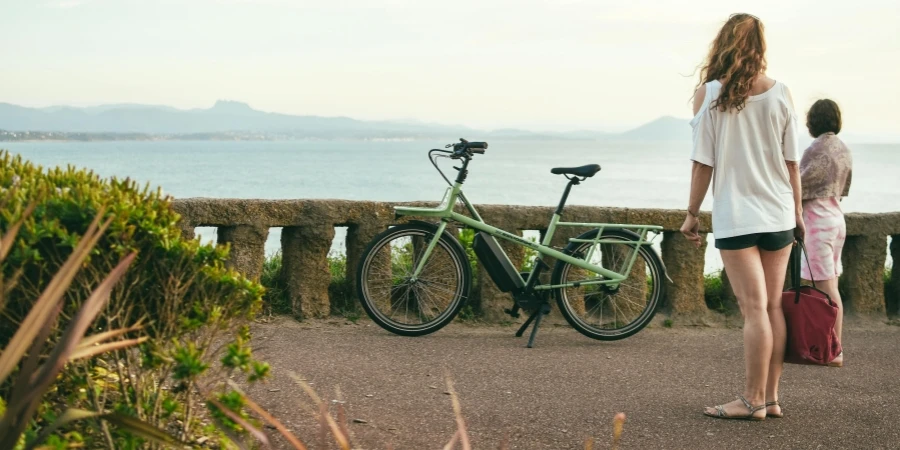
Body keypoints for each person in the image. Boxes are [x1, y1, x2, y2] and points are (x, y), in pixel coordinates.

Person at [680, 13, 803, 421]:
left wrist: (692, 214)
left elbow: (703, 164)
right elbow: (792, 164)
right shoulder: (781, 92)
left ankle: (751, 401)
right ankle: (771, 398)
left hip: (739, 214)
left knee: (753, 309)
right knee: (772, 307)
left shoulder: (709, 93)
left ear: (724, 44)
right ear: (760, 47)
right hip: (780, 212)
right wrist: (799, 213)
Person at [799, 99, 851, 367]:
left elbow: (798, 183)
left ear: (813, 121)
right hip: (836, 220)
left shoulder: (815, 149)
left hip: (818, 223)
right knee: (831, 285)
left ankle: (834, 350)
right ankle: (826, 345)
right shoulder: (843, 149)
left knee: (827, 289)